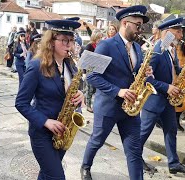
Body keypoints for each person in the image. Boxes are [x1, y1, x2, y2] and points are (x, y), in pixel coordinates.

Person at [81, 5, 151, 180]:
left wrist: (145, 74)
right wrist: (118, 91)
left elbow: (134, 74)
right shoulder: (106, 45)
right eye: (137, 25)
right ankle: (85, 166)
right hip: (108, 107)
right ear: (125, 23)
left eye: (141, 26)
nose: (140, 30)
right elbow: (91, 76)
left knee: (134, 151)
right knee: (97, 141)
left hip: (131, 110)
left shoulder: (136, 48)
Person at [15, 19, 84, 179]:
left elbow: (71, 91)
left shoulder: (70, 65)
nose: (69, 45)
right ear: (51, 41)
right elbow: (21, 103)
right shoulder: (36, 66)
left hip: (63, 131)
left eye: (72, 40)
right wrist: (46, 121)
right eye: (64, 40)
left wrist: (80, 96)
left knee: (47, 174)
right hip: (42, 133)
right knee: (57, 176)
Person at [141, 18, 185, 174]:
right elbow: (146, 78)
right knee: (143, 132)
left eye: (180, 32)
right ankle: (135, 158)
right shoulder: (156, 51)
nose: (181, 35)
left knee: (171, 131)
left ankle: (173, 164)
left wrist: (183, 71)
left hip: (167, 101)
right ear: (166, 33)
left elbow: (172, 69)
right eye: (177, 32)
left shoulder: (170, 49)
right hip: (154, 100)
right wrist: (167, 87)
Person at [83, 31, 103, 113]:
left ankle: (85, 97)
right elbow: (85, 58)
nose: (100, 39)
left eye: (101, 38)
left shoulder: (101, 46)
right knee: (90, 89)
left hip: (98, 69)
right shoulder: (89, 46)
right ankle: (88, 105)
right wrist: (84, 72)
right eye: (98, 38)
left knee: (94, 89)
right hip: (89, 69)